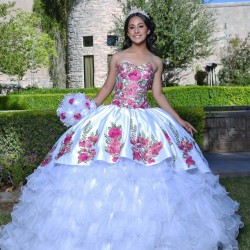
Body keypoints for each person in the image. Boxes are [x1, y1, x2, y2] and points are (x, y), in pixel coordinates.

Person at [0, 7, 243, 250]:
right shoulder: (118, 57)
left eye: (140, 26)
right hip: (114, 115)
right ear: (127, 32)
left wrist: (178, 120)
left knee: (154, 166)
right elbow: (107, 88)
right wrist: (87, 109)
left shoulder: (156, 62)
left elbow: (158, 94)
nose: (136, 30)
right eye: (131, 27)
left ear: (148, 30)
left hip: (146, 119)